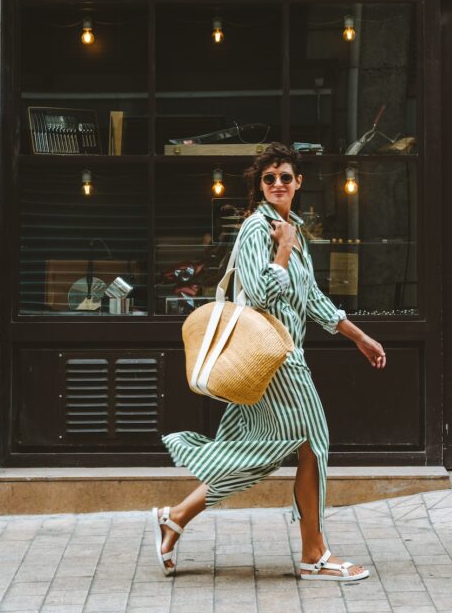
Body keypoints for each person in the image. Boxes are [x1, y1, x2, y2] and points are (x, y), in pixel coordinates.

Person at [154, 142, 386, 583]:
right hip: (274, 358)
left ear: (298, 182)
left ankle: (176, 516)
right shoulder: (257, 230)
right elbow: (260, 295)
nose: (277, 184)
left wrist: (360, 337)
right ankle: (314, 554)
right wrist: (281, 250)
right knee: (314, 443)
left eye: (285, 176)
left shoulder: (291, 227)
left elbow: (312, 298)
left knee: (260, 453)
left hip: (282, 357)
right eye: (269, 178)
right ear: (260, 186)